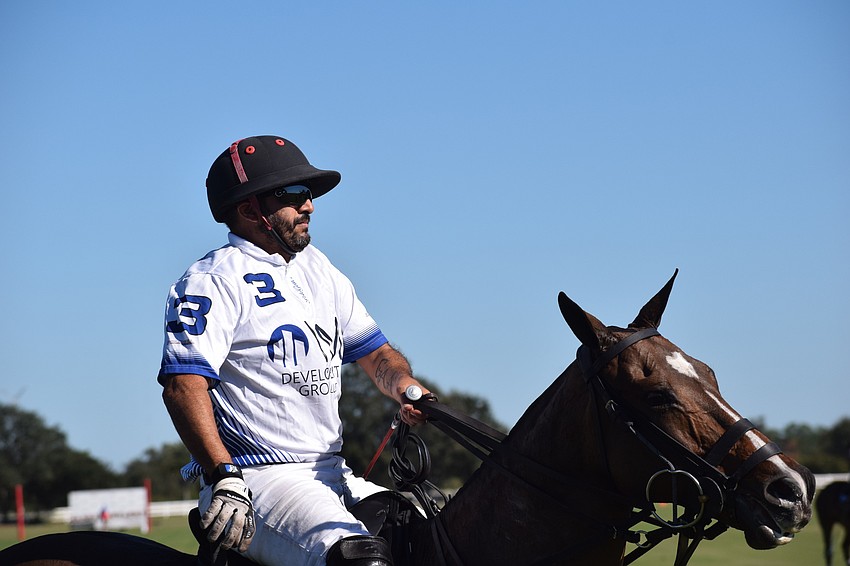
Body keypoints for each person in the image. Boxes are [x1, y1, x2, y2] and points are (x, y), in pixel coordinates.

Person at [158, 135, 429, 566]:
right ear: (250, 211)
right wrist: (223, 475)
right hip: (260, 481)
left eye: (309, 194)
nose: (310, 206)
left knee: (432, 536)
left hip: (334, 472)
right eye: (293, 195)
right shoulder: (211, 280)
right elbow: (182, 387)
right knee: (361, 562)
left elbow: (376, 355)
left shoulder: (319, 268)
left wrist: (404, 387)